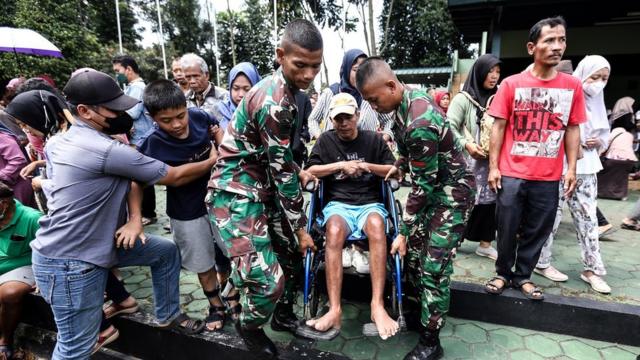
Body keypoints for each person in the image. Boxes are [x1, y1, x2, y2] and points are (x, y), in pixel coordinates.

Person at [30, 70, 216, 359]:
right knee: (75, 348)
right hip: (70, 261)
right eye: (113, 108)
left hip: (98, 243)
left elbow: (129, 178)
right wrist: (213, 159)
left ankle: (168, 315)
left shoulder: (58, 141)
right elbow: (175, 176)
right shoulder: (106, 149)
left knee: (165, 252)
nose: (122, 112)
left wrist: (133, 219)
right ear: (84, 111)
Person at [207, 19, 320, 359]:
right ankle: (249, 325)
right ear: (280, 55)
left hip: (263, 190)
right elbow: (281, 170)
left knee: (288, 256)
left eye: (315, 66)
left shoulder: (288, 92)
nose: (308, 74)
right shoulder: (275, 101)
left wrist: (295, 171)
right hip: (236, 196)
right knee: (268, 281)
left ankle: (283, 316)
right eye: (300, 65)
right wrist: (301, 228)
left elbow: (278, 157)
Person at [356, 58, 475, 360]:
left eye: (374, 99)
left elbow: (423, 187)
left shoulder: (419, 121)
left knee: (434, 267)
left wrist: (404, 232)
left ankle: (431, 341)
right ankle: (416, 309)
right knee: (414, 260)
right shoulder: (402, 107)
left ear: (391, 86)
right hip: (434, 192)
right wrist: (398, 166)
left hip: (452, 196)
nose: (373, 106)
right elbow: (408, 155)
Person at [485, 17, 584, 302]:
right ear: (532, 47)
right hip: (512, 173)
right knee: (505, 227)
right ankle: (503, 272)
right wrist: (494, 167)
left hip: (548, 175)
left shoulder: (572, 86)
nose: (557, 47)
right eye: (549, 40)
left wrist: (572, 168)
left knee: (538, 229)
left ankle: (523, 276)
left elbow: (572, 127)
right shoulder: (511, 84)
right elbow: (499, 127)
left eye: (561, 40)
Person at [139, 79, 236, 332]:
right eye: (166, 120)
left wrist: (220, 142)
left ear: (186, 106)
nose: (177, 124)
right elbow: (165, 178)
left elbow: (220, 136)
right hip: (185, 210)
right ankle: (216, 305)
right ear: (152, 118)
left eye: (180, 115)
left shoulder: (200, 116)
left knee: (235, 252)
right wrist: (212, 159)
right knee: (202, 262)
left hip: (221, 201)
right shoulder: (151, 144)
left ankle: (233, 295)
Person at [303, 93, 398, 339]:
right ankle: (334, 310)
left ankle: (377, 306)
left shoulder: (373, 140)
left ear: (357, 116)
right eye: (338, 119)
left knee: (377, 226)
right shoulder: (325, 141)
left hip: (369, 204)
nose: (344, 123)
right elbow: (311, 170)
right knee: (333, 231)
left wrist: (367, 166)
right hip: (339, 205)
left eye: (348, 117)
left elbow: (393, 168)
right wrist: (340, 166)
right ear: (332, 121)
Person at [535, 55, 611, 293]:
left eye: (604, 78)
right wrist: (573, 143)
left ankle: (593, 269)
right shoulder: (566, 95)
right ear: (583, 74)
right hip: (559, 165)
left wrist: (598, 141)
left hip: (587, 167)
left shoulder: (598, 103)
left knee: (588, 218)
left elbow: (604, 138)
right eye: (595, 77)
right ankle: (541, 261)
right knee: (551, 216)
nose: (598, 83)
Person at [447, 54, 502, 260]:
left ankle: (485, 243)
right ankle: (453, 242)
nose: (494, 76)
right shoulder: (463, 98)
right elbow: (449, 126)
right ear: (479, 72)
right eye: (490, 71)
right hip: (467, 160)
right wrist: (466, 144)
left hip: (490, 161)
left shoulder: (499, 98)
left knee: (490, 202)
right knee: (462, 202)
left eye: (497, 71)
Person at [112, 55, 158, 227]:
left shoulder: (138, 88)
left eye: (118, 71)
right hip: (137, 139)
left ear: (128, 69)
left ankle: (148, 212)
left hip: (141, 139)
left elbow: (131, 113)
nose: (117, 75)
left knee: (144, 176)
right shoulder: (131, 88)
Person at [308, 49, 393, 142]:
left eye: (364, 70)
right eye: (356, 70)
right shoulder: (330, 93)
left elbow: (389, 119)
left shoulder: (370, 96)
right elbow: (313, 120)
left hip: (366, 153)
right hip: (334, 154)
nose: (360, 75)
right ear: (347, 69)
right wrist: (322, 139)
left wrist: (386, 135)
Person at [0, 183, 41, 360]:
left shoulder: (32, 218)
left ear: (3, 204)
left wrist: (45, 276)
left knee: (9, 294)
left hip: (22, 265)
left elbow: (54, 248)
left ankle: (4, 341)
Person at [597, 97, 638, 200]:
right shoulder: (630, 134)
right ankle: (621, 194)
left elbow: (604, 145)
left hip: (612, 160)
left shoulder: (615, 130)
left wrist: (598, 155)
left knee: (604, 171)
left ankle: (602, 192)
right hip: (629, 162)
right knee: (621, 175)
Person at [181, 53, 228, 120]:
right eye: (188, 77)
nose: (192, 81)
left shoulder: (224, 97)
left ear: (206, 75)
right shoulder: (184, 99)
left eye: (196, 76)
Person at [218, 62, 262, 131]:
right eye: (236, 88)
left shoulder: (263, 112)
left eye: (247, 89)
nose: (241, 94)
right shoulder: (221, 112)